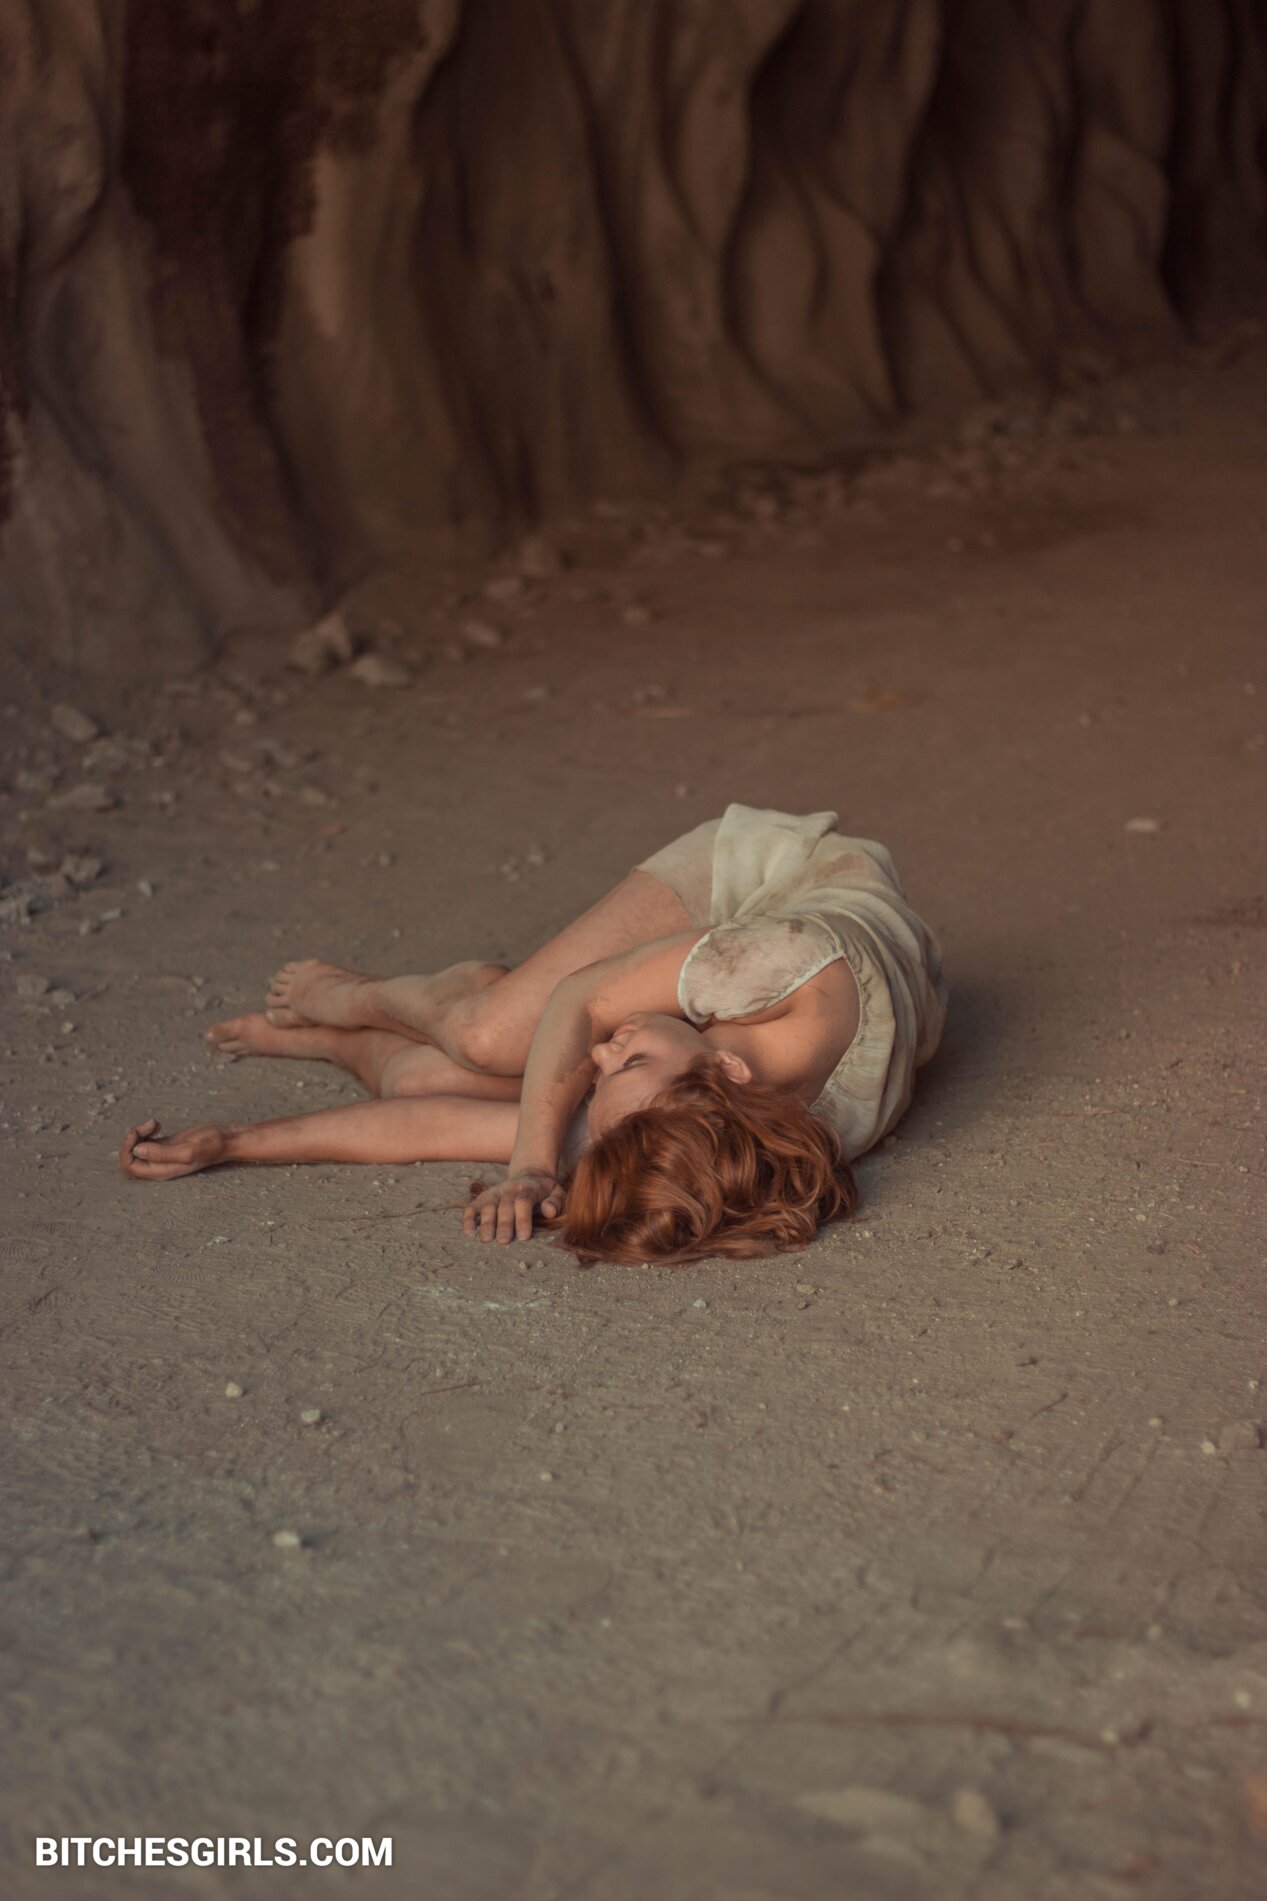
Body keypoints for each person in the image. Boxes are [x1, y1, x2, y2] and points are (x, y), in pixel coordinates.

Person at [119, 804, 948, 1265]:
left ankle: (334, 1042)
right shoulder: (784, 968)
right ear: (726, 1067)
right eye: (627, 1054)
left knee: (421, 1079)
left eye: (611, 1068)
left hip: (722, 1006)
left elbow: (437, 1125)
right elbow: (582, 1001)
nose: (602, 1052)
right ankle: (381, 996)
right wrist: (530, 1164)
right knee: (488, 1039)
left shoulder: (712, 1138)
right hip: (772, 880)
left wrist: (234, 1142)